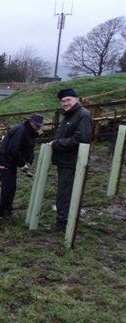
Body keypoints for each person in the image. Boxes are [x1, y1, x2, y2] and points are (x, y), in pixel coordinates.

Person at [48, 88, 92, 231]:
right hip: (66, 161)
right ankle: (64, 220)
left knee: (65, 193)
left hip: (73, 162)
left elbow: (81, 139)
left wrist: (56, 144)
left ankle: (63, 224)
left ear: (76, 99)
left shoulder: (82, 115)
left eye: (68, 100)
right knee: (64, 192)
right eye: (63, 101)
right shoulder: (70, 115)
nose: (65, 103)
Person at [0, 113, 43, 217]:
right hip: (4, 161)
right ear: (31, 122)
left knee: (11, 187)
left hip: (10, 161)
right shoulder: (21, 130)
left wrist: (27, 162)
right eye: (37, 125)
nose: (38, 128)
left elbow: (26, 149)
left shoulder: (27, 131)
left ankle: (6, 211)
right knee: (6, 188)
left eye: (39, 126)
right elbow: (13, 150)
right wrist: (22, 164)